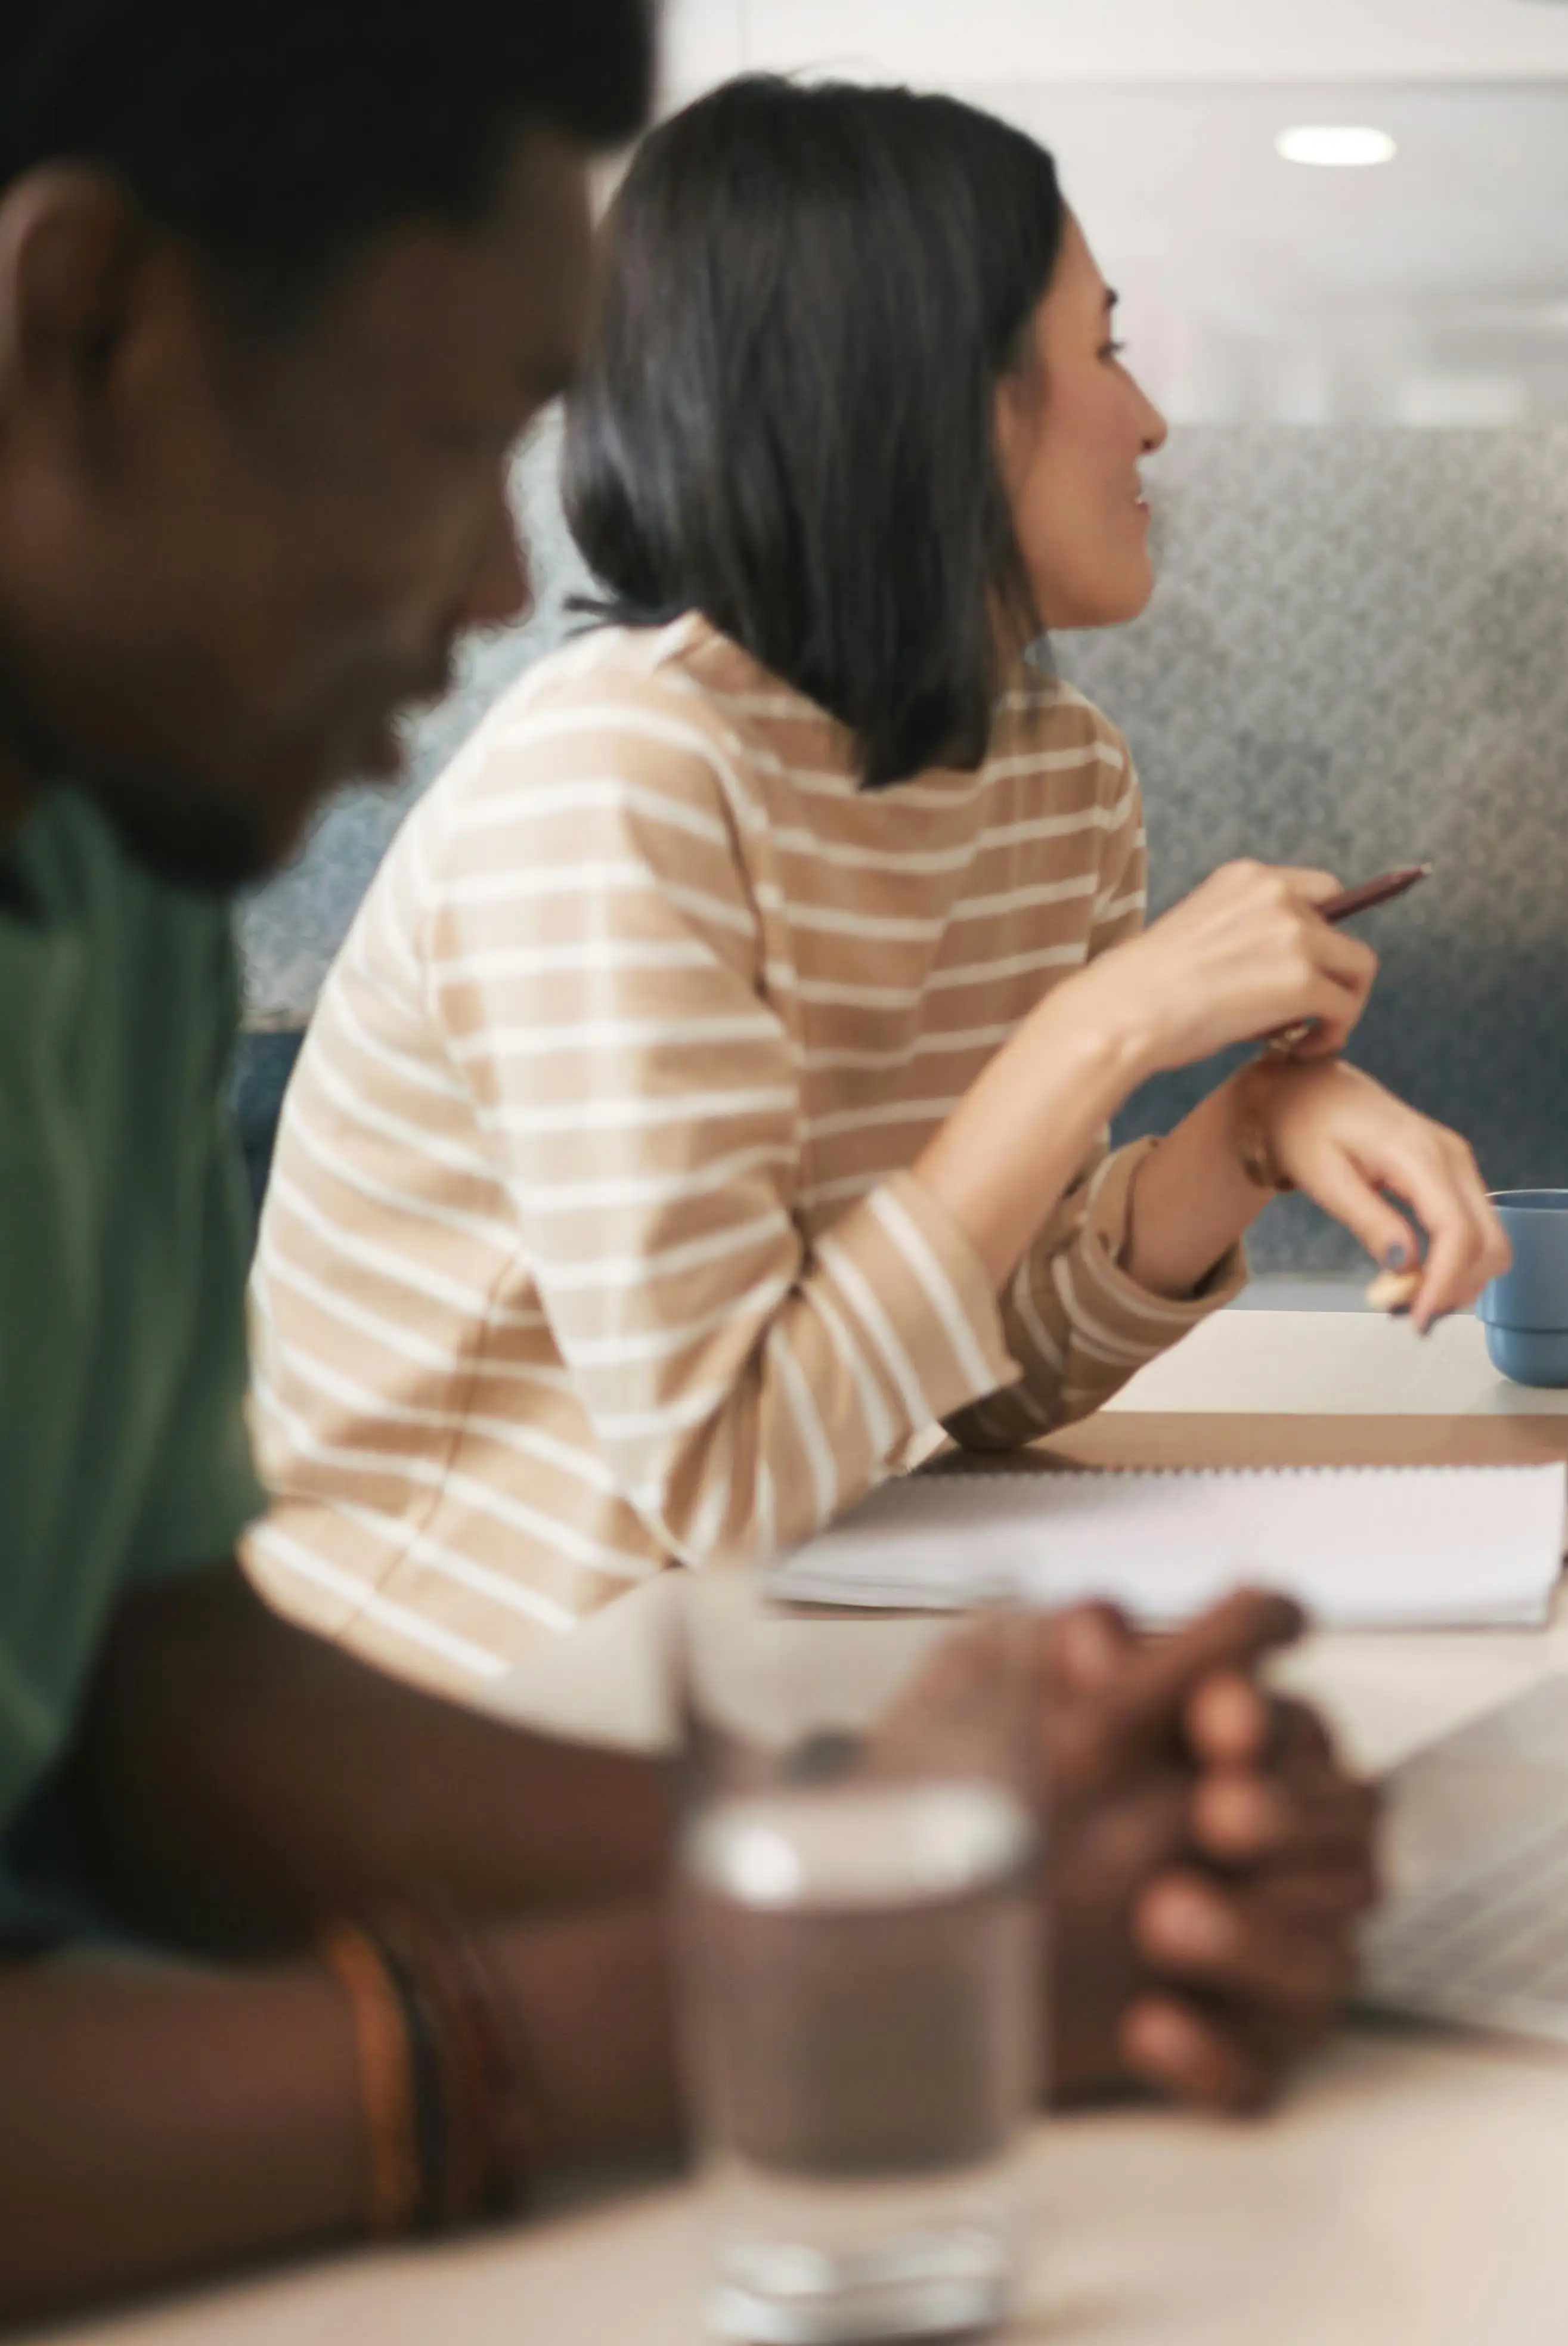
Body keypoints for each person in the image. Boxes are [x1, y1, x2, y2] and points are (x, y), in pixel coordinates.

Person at [0, 12, 1373, 2319]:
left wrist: (902, 1854)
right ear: (88, 331)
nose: (478, 592)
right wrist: (820, 1965)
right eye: (458, 439)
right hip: (545, 1649)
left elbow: (169, 1710)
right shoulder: (585, 779)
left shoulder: (116, 877)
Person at [246, 78, 1510, 1690]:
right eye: (1105, 349)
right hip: (439, 1701)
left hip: (748, 1657)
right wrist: (1100, 1033)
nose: (1151, 420)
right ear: (944, 400)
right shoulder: (619, 776)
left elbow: (987, 1371)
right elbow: (723, 1472)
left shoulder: (1058, 776)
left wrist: (1242, 1135)